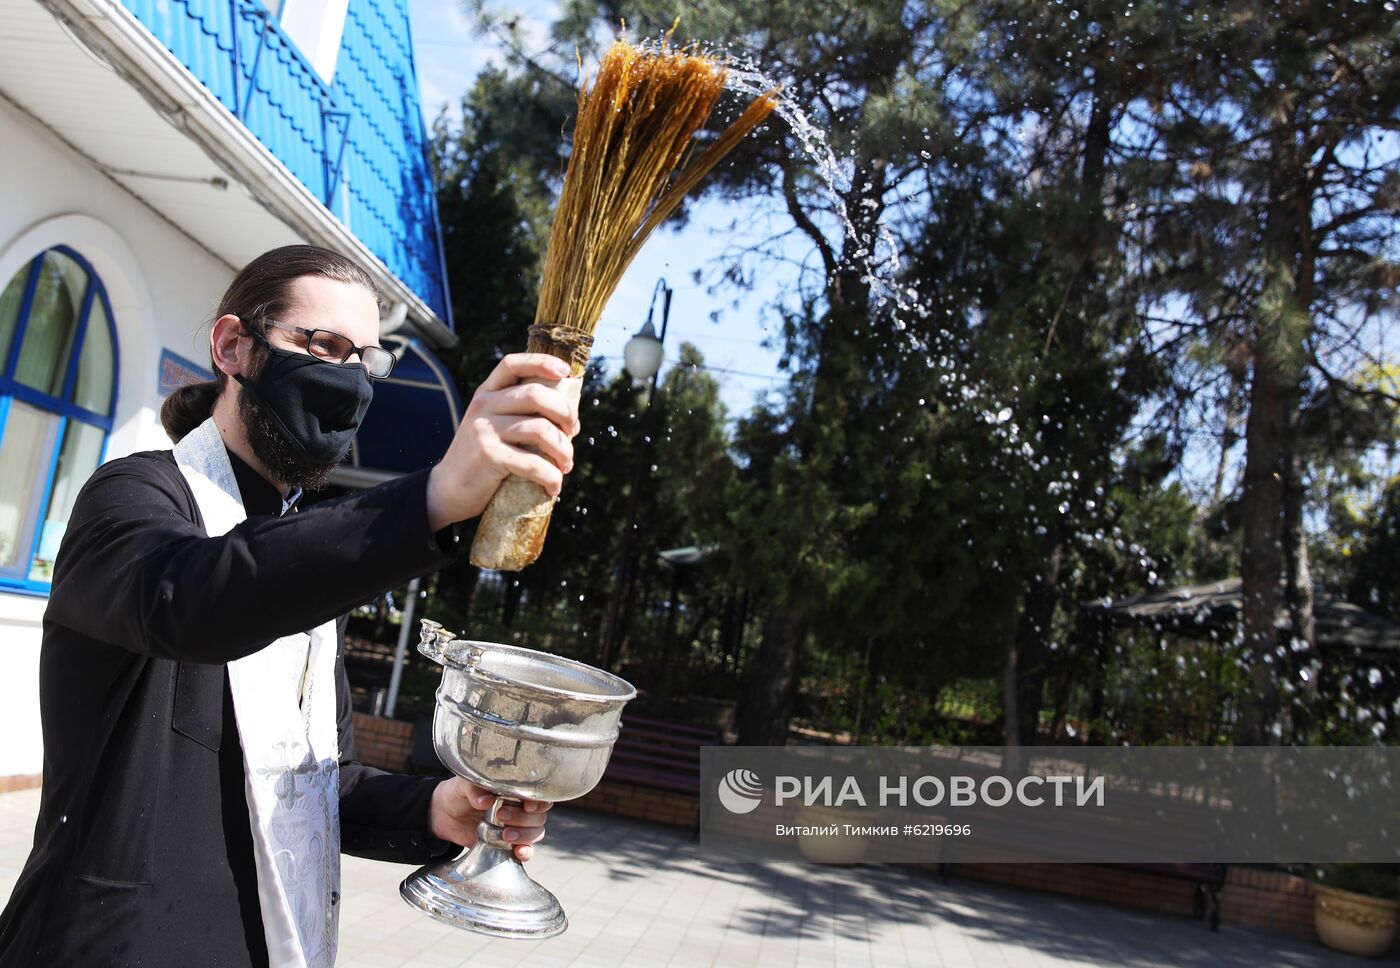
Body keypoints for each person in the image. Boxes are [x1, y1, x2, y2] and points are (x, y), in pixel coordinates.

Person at [0, 245, 581, 968]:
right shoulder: (132, 500)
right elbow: (190, 600)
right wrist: (432, 500)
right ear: (233, 347)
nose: (349, 381)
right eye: (324, 347)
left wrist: (439, 811)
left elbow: (316, 783)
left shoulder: (300, 557)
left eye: (366, 361)